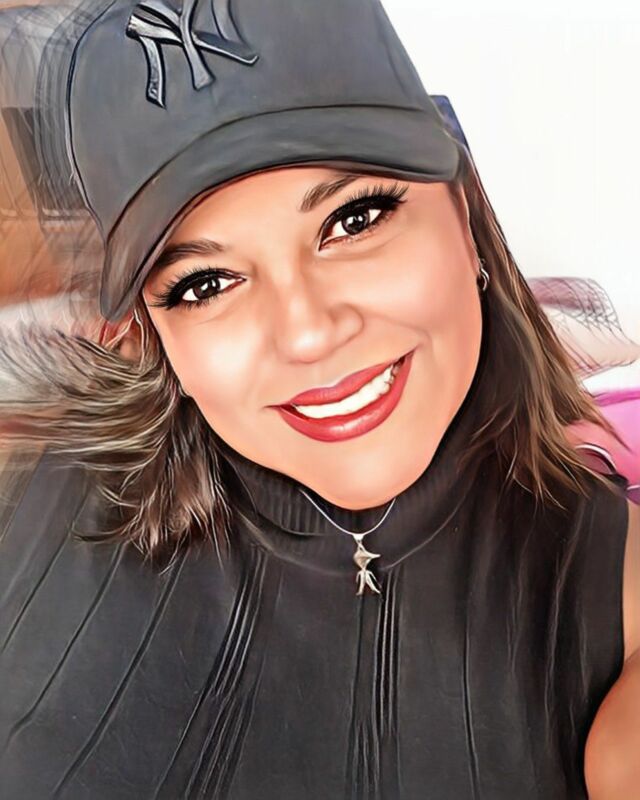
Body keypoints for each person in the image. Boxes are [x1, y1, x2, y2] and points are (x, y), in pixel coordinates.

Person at [0, 1, 638, 798]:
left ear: (466, 211)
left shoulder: (613, 589)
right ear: (158, 337)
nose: (306, 333)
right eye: (205, 283)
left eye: (354, 219)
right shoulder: (33, 495)